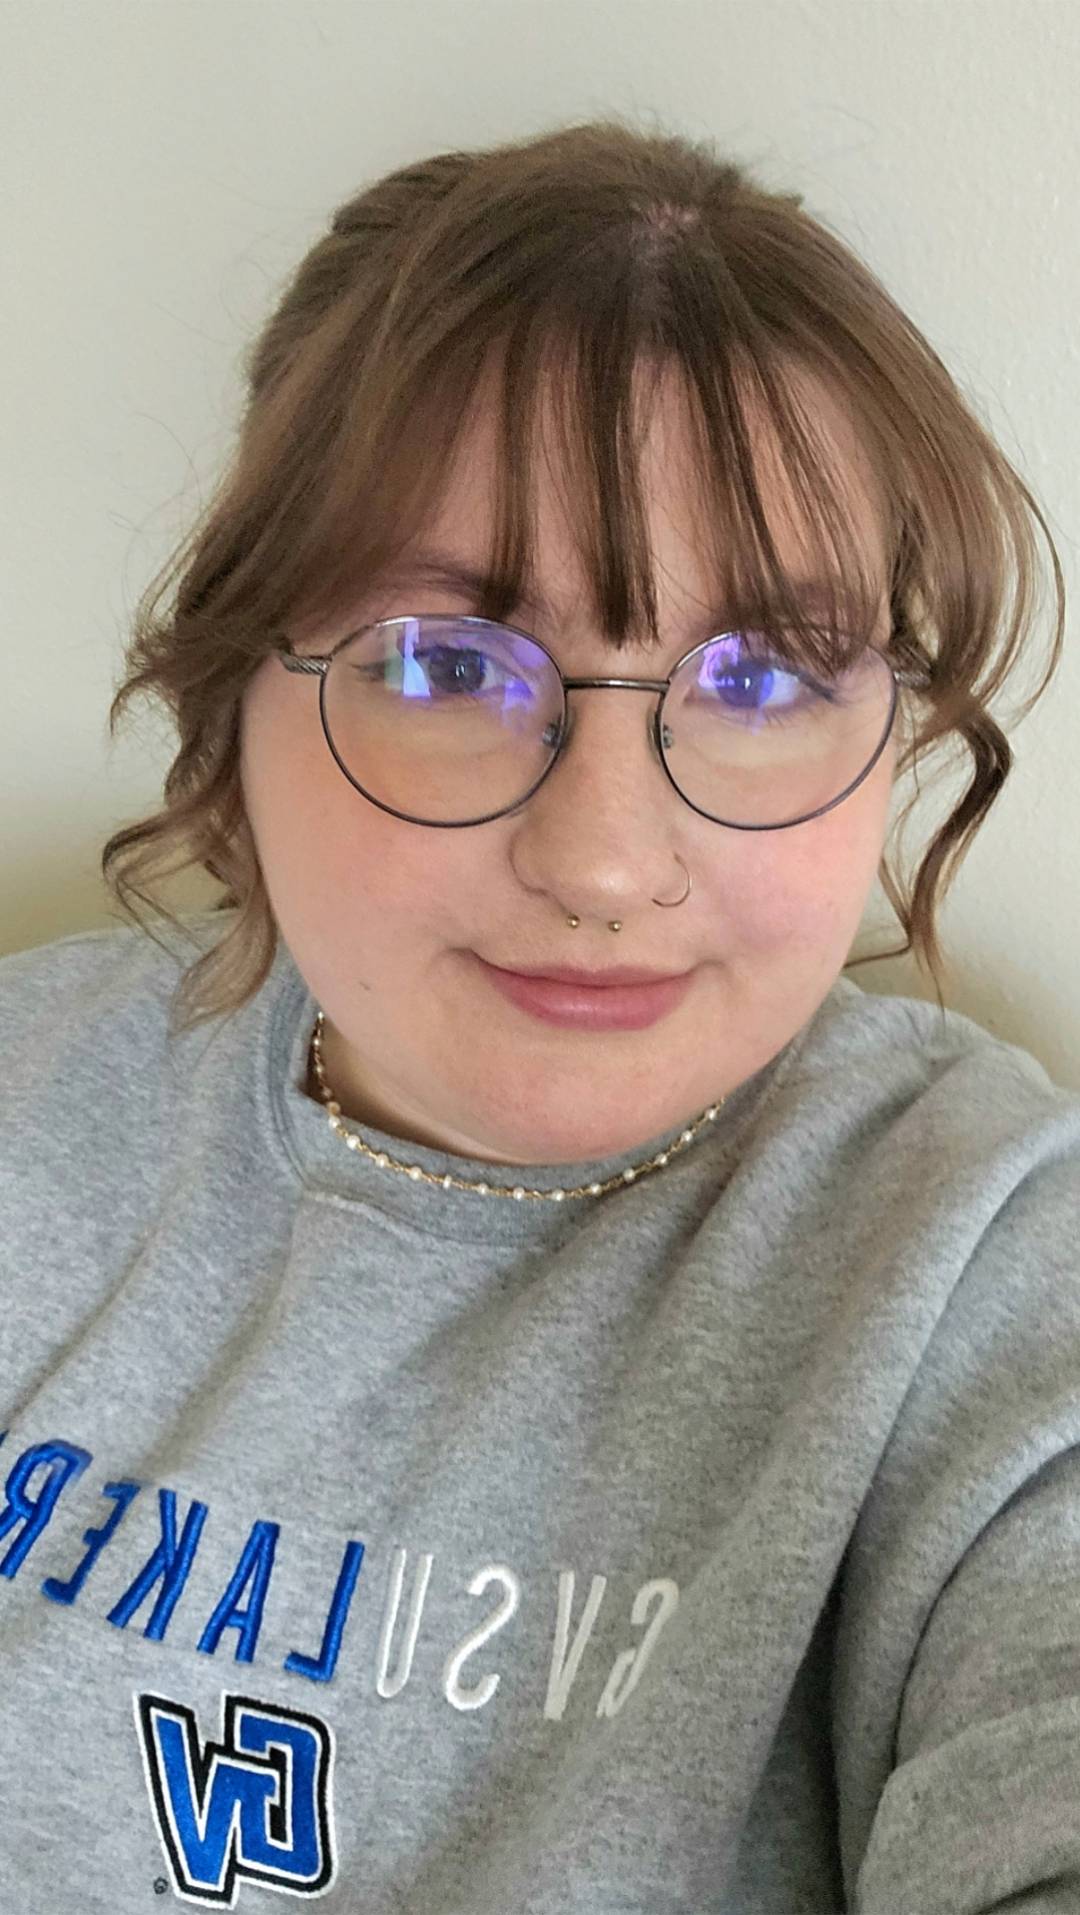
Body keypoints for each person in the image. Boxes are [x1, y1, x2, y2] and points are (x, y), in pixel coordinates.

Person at [1, 114, 1078, 1915]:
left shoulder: (987, 1252)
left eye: (765, 676)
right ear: (234, 688)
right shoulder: (28, 1099)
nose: (603, 860)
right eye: (447, 663)